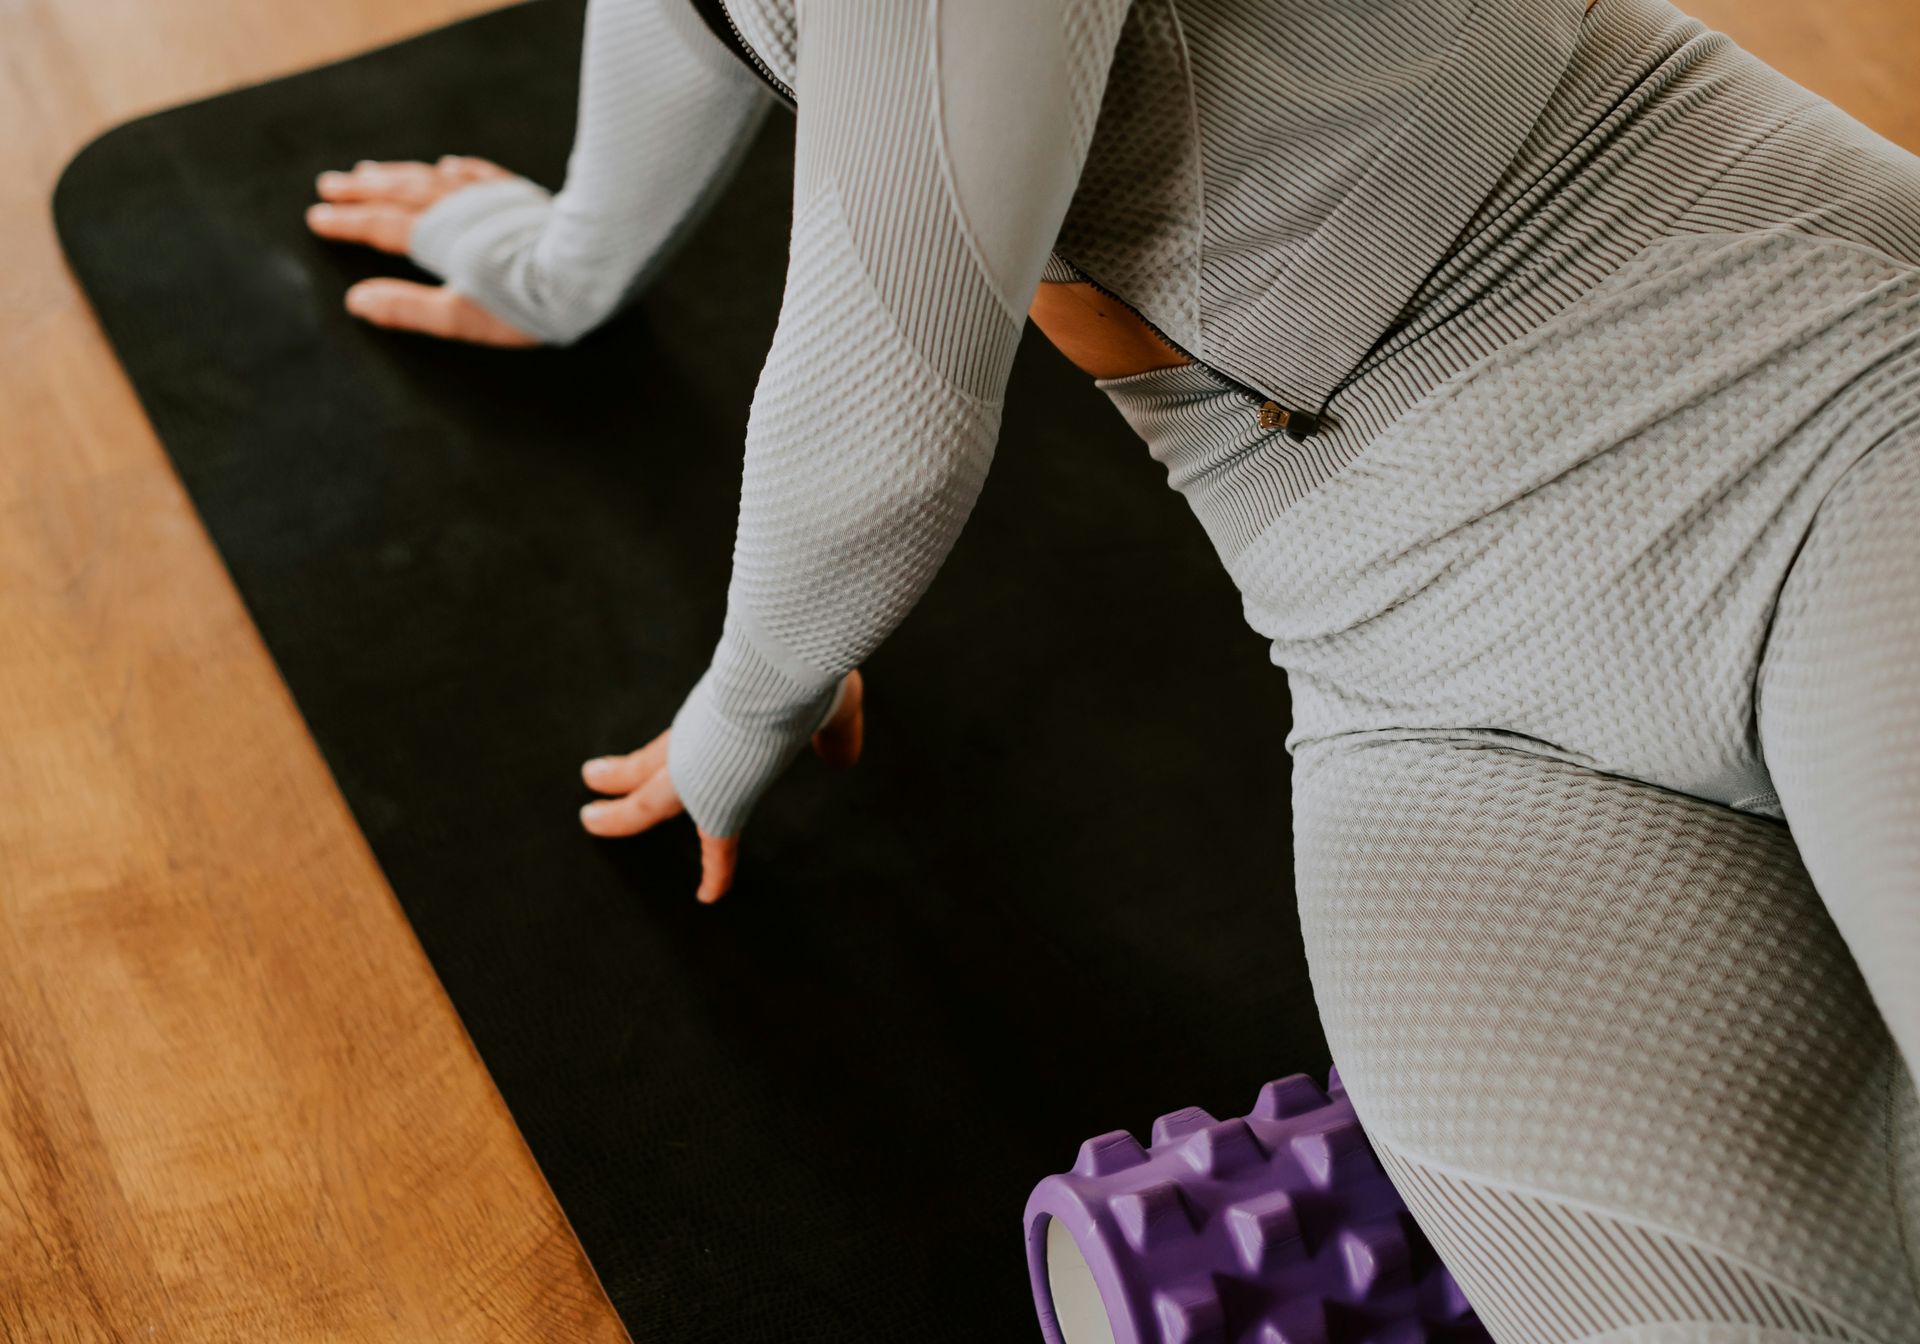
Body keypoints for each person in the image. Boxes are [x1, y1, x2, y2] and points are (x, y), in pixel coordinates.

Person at [306, 0, 1920, 1336]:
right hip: (1392, 650)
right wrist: (563, 258)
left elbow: (885, 438)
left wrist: (752, 700)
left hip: (1815, 402)